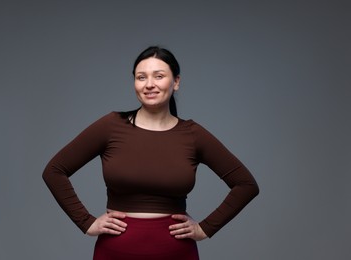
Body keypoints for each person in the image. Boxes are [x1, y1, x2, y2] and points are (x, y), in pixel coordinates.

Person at [42, 46, 259, 259]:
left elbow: (245, 185)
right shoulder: (111, 126)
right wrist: (85, 221)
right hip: (115, 251)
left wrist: (205, 228)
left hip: (176, 251)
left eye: (158, 76)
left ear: (176, 82)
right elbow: (54, 171)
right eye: (141, 77)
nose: (149, 84)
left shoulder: (192, 135)